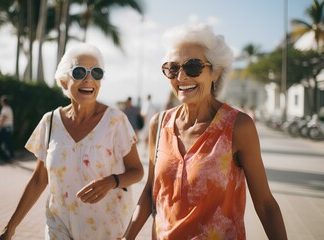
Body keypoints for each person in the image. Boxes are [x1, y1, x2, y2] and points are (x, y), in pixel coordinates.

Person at [120, 23, 287, 239]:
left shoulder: (237, 126)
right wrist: (127, 236)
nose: (181, 77)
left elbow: (265, 205)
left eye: (193, 67)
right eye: (172, 68)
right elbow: (152, 189)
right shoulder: (159, 123)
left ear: (215, 72)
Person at [0, 43, 144, 240]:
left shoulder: (116, 121)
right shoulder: (50, 121)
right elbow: (40, 178)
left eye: (96, 73)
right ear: (64, 81)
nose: (89, 79)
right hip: (59, 226)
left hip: (106, 230)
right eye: (80, 72)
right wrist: (9, 228)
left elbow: (137, 172)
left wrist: (111, 181)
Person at [0, 95, 15, 162]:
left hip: (5, 129)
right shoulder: (9, 108)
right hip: (8, 129)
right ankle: (10, 157)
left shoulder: (5, 109)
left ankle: (5, 158)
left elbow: (3, 119)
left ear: (2, 102)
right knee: (8, 143)